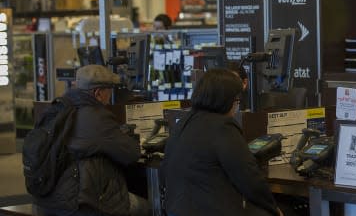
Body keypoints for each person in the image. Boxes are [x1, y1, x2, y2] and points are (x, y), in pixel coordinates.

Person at [32, 65, 149, 216]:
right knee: (147, 207)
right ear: (98, 93)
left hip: (45, 201)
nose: (110, 98)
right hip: (78, 205)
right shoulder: (97, 117)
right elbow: (132, 154)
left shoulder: (56, 110)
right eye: (109, 91)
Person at [162, 68, 282, 216]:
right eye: (236, 101)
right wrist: (274, 208)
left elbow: (164, 171)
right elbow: (249, 179)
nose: (236, 107)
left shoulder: (183, 122)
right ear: (226, 101)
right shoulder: (223, 126)